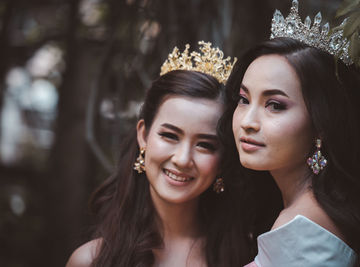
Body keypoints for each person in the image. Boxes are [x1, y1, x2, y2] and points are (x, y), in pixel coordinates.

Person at [220, 1, 360, 266]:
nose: (248, 121)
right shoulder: (327, 207)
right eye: (244, 99)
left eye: (275, 105)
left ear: (322, 125)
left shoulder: (302, 227)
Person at [66, 41, 253, 267]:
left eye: (205, 145)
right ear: (143, 135)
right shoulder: (91, 260)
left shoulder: (250, 256)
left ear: (224, 159)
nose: (182, 159)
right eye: (170, 136)